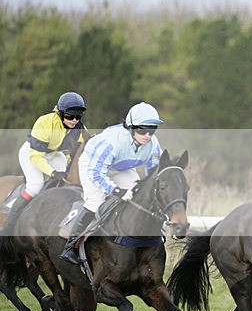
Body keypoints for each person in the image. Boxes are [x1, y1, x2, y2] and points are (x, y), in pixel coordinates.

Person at [60, 102, 164, 264]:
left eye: (152, 130)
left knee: (136, 196)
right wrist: (116, 191)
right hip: (93, 164)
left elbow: (154, 172)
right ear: (130, 127)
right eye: (142, 130)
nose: (147, 136)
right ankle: (70, 246)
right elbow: (96, 173)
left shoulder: (153, 144)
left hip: (120, 167)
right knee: (96, 202)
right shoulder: (113, 141)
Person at [2, 92, 87, 234]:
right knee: (35, 185)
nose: (74, 120)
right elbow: (36, 156)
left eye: (78, 116)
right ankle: (9, 226)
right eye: (70, 116)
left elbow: (83, 146)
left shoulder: (79, 128)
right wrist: (52, 172)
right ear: (60, 113)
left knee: (67, 179)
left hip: (52, 153)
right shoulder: (45, 122)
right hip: (32, 152)